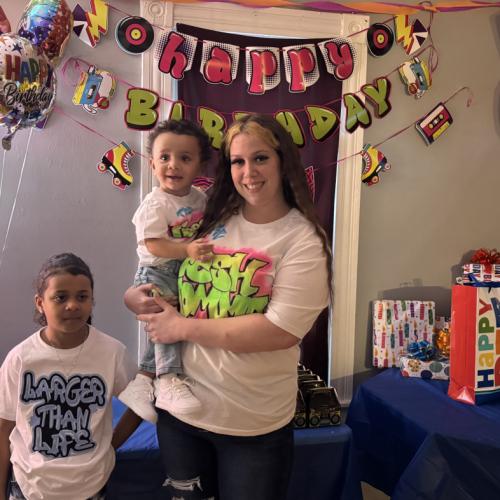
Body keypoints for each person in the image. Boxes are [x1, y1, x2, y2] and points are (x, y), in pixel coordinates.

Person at [125, 114, 333, 500]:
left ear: (283, 160)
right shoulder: (211, 218)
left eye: (260, 158)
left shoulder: (302, 240)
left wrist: (181, 327)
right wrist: (134, 297)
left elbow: (279, 331)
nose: (248, 172)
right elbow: (165, 269)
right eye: (238, 161)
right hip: (181, 415)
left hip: (251, 424)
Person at [0, 253, 136, 500]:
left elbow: (139, 404)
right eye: (60, 297)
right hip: (30, 488)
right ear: (40, 303)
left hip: (89, 488)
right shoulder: (20, 358)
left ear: (92, 300)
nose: (72, 305)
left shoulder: (112, 352)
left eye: (82, 297)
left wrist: (110, 445)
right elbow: (3, 429)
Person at [118, 119, 213, 424]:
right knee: (166, 325)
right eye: (165, 157)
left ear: (200, 165)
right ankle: (168, 380)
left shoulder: (199, 198)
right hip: (156, 271)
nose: (173, 165)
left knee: (172, 324)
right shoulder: (155, 204)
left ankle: (142, 382)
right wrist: (187, 251)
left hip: (183, 272)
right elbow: (153, 243)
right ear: (152, 163)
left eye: (185, 158)